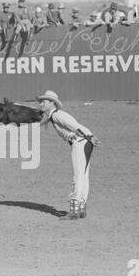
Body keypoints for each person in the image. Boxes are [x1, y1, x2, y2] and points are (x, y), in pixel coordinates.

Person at [37, 90, 100, 220]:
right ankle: (81, 208)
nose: (41, 104)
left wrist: (90, 136)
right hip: (84, 142)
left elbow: (75, 126)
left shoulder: (57, 115)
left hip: (80, 142)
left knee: (78, 176)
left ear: (52, 103)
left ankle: (74, 210)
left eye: (44, 101)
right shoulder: (54, 115)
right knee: (83, 176)